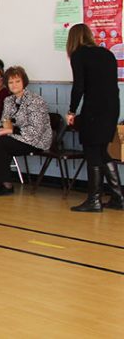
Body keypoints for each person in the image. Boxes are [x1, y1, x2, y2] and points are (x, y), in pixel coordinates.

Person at [65, 24, 123, 212]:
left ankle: (94, 200)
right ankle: (118, 197)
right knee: (103, 151)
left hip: (94, 110)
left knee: (92, 152)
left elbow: (79, 87)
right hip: (112, 109)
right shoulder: (107, 54)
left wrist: (72, 111)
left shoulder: (78, 55)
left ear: (72, 39)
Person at [0, 66, 51, 195]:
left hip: (34, 140)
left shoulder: (35, 100)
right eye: (11, 82)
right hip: (15, 136)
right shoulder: (8, 100)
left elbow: (36, 130)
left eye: (17, 81)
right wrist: (3, 128)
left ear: (24, 82)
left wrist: (11, 130)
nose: (14, 85)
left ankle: (6, 184)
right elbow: (3, 120)